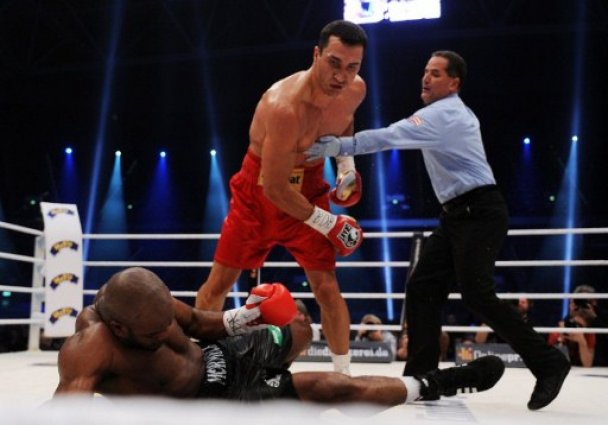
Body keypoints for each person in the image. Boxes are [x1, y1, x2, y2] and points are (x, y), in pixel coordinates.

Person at [305, 50, 570, 410]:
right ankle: (422, 377)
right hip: (458, 214)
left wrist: (340, 146)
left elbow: (390, 136)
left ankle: (548, 362)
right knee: (423, 287)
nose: (426, 78)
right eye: (425, 71)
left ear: (454, 83)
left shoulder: (444, 114)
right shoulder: (446, 113)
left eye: (435, 73)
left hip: (479, 211)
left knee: (477, 294)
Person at [54, 267, 505, 404]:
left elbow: (196, 325)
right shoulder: (91, 347)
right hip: (216, 397)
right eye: (152, 334)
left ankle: (276, 374)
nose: (161, 333)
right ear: (119, 328)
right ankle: (436, 383)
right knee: (332, 386)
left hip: (217, 354)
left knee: (297, 323)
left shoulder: (148, 297)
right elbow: (62, 414)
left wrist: (245, 316)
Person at [196, 20, 368, 375]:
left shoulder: (355, 90)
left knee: (327, 287)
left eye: (352, 67)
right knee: (218, 284)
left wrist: (346, 166)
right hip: (260, 193)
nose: (342, 76)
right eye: (334, 63)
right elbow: (275, 189)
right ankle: (202, 367)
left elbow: (345, 123)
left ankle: (344, 376)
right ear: (316, 54)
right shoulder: (284, 106)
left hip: (310, 185)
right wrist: (330, 223)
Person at [547, 285, 598, 367]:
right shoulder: (561, 327)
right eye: (576, 302)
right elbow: (551, 363)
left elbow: (587, 364)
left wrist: (582, 342)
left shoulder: (592, 330)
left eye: (584, 302)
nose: (579, 307)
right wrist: (560, 341)